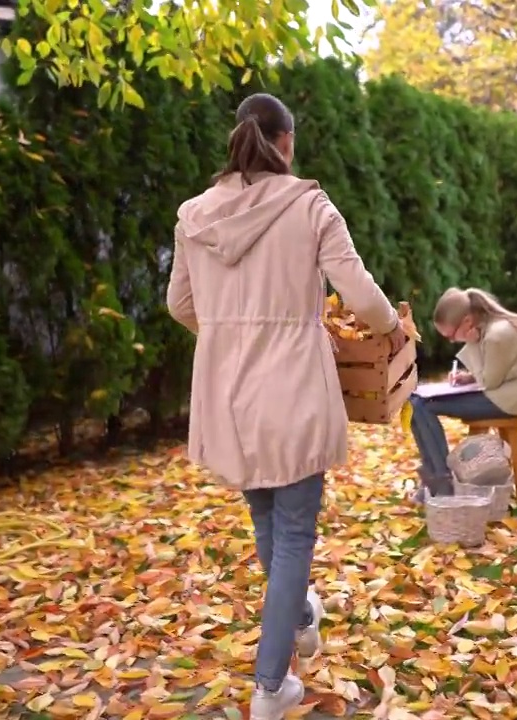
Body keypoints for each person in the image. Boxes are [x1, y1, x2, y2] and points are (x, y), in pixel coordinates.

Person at [166, 92, 405, 720]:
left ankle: (300, 616)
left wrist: (228, 330)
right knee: (293, 532)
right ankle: (271, 686)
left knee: (270, 525)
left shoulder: (194, 215)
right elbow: (361, 293)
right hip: (295, 385)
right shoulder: (310, 205)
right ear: (287, 141)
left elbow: (179, 306)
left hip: (230, 395)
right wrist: (391, 331)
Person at [408, 287, 517, 501]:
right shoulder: (492, 326)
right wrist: (470, 377)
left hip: (507, 400)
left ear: (468, 322)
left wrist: (472, 344)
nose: (452, 341)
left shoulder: (497, 334)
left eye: (451, 336)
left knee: (422, 405)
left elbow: (490, 381)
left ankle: (442, 483)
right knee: (415, 401)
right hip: (503, 393)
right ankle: (437, 479)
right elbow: (494, 370)